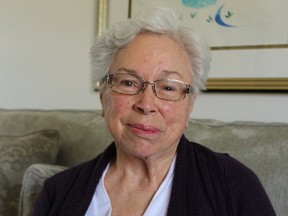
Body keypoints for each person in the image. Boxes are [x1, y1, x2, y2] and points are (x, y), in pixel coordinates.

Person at [33, 7, 276, 216]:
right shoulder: (59, 192)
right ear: (103, 95)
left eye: (169, 87)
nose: (146, 104)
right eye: (128, 83)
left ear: (190, 105)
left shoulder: (232, 185)